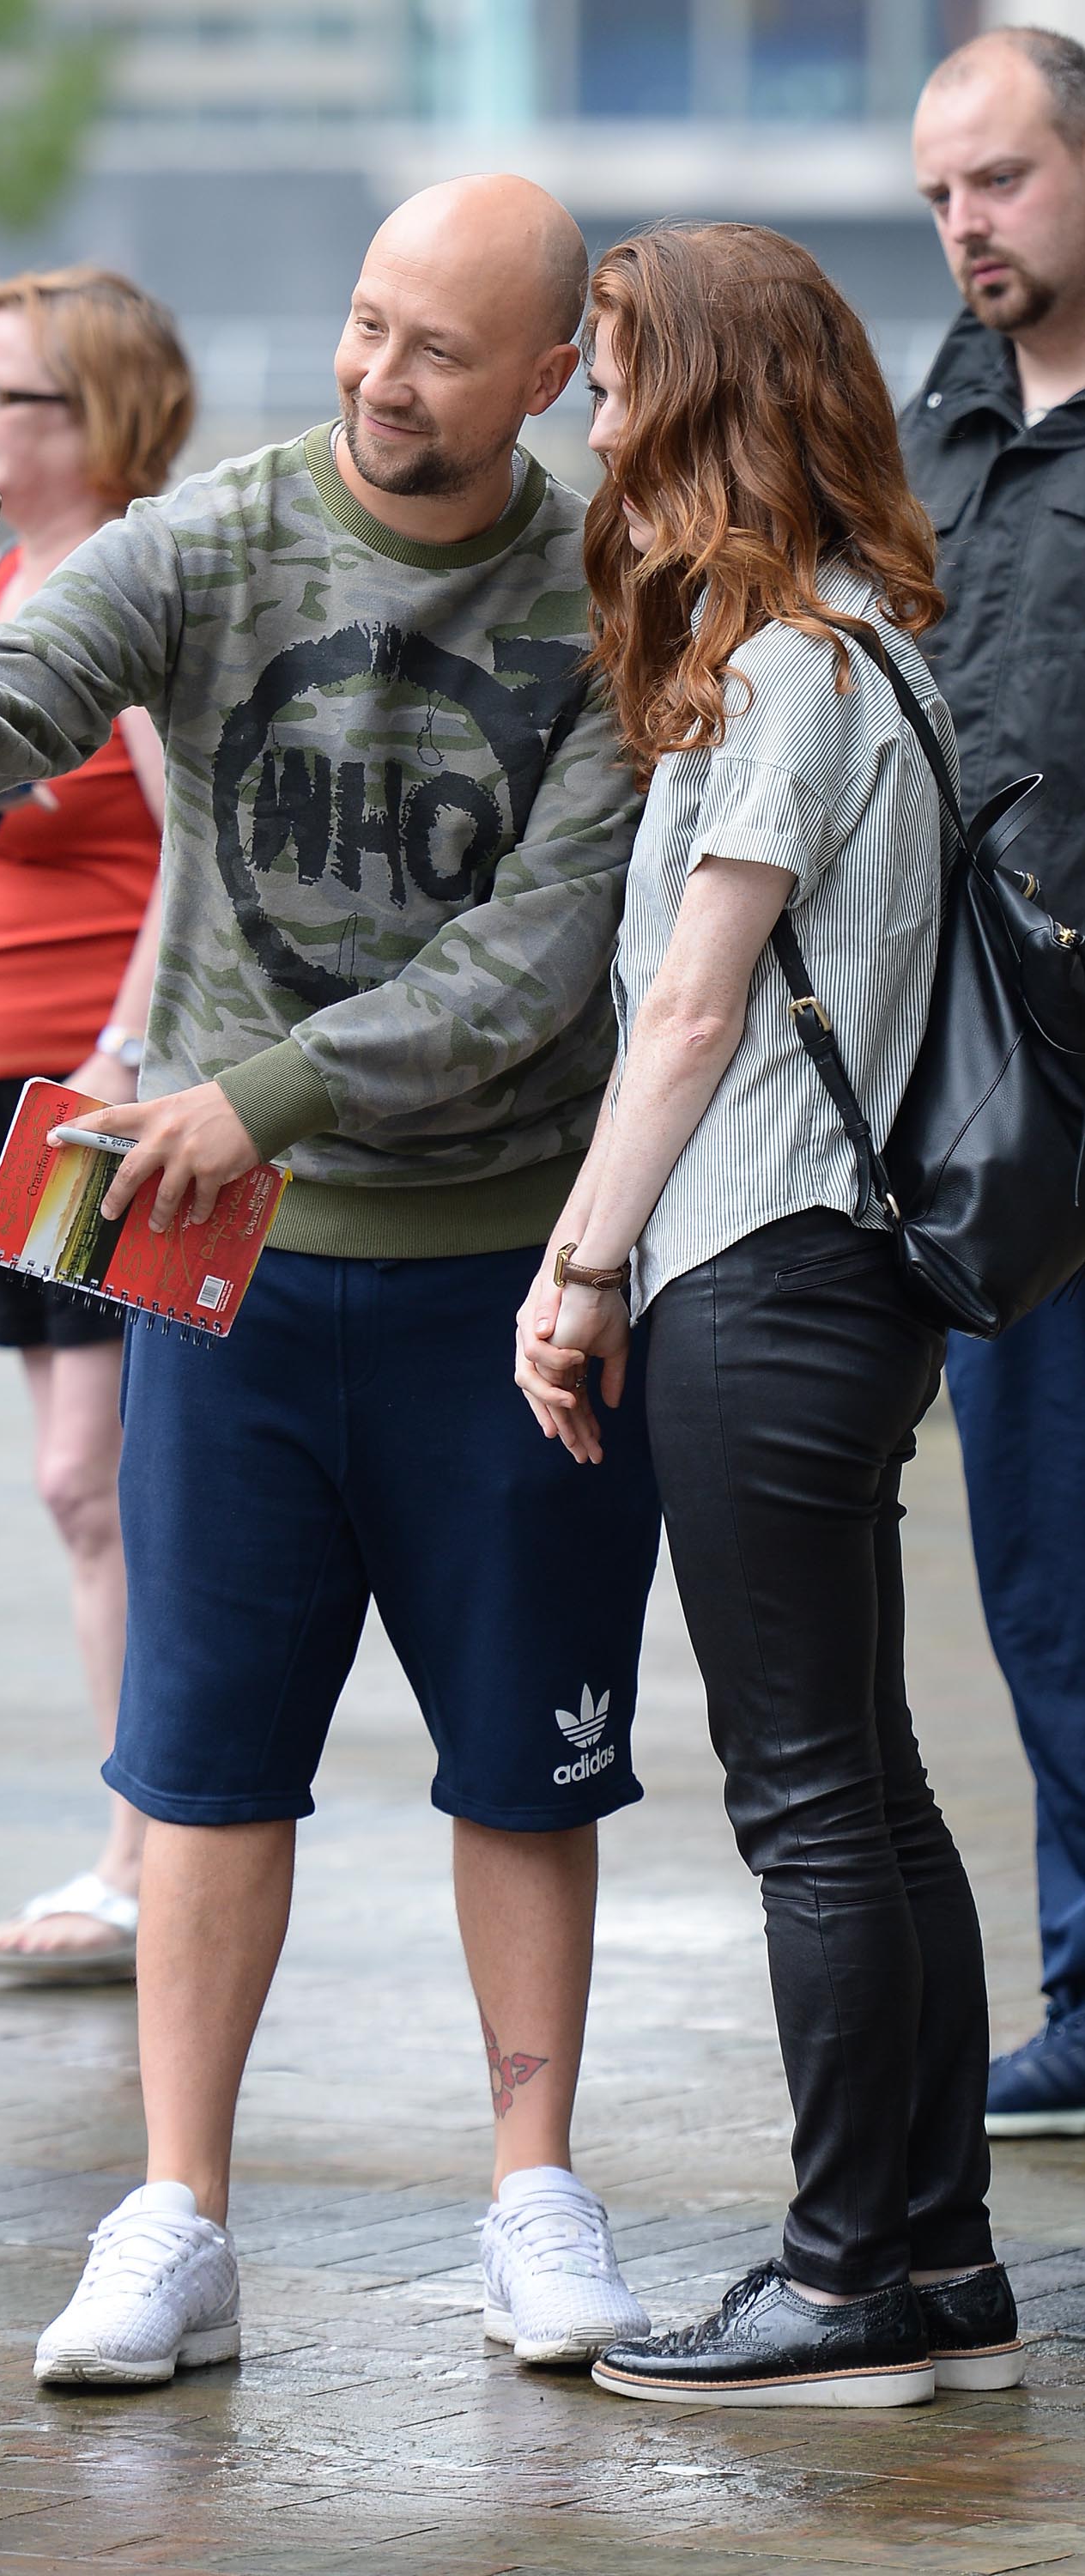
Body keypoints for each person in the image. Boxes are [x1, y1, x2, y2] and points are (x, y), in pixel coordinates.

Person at [0, 175, 664, 2387]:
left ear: (549, 374)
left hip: (507, 1260)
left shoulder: (608, 581)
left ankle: (534, 2193)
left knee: (529, 1760)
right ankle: (173, 2215)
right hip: (215, 1255)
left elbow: (541, 957)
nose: (382, 378)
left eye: (437, 349)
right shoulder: (219, 536)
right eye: (367, 325)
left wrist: (265, 1090)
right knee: (202, 1768)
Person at [517, 222, 1021, 2408]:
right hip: (829, 1276)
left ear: (710, 399)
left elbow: (697, 1010)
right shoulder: (867, 650)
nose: (593, 419)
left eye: (618, 380)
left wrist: (580, 1266)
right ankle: (933, 2267)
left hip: (759, 1264)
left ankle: (841, 2279)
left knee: (809, 1799)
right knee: (875, 1792)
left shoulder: (794, 672)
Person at [0, 266, 192, 1982]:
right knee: (79, 1488)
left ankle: (147, 1854)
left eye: (2, 395)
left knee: (96, 1481)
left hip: (89, 1099)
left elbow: (199, 851)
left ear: (87, 415)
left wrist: (123, 1051)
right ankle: (139, 1846)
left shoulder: (142, 588)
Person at [906, 22, 1085, 2140]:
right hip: (1003, 1121)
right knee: (1044, 1571)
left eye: (1006, 181)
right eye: (945, 190)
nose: (968, 223)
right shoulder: (929, 424)